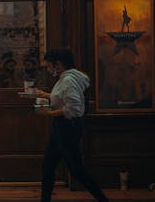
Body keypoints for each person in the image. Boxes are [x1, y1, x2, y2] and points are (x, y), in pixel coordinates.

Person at [34, 49, 108, 202]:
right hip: (62, 129)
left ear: (58, 64)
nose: (48, 69)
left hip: (67, 129)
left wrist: (48, 113)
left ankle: (103, 199)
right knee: (48, 167)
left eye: (49, 66)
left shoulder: (68, 80)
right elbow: (64, 98)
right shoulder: (67, 78)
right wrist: (46, 95)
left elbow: (73, 108)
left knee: (76, 170)